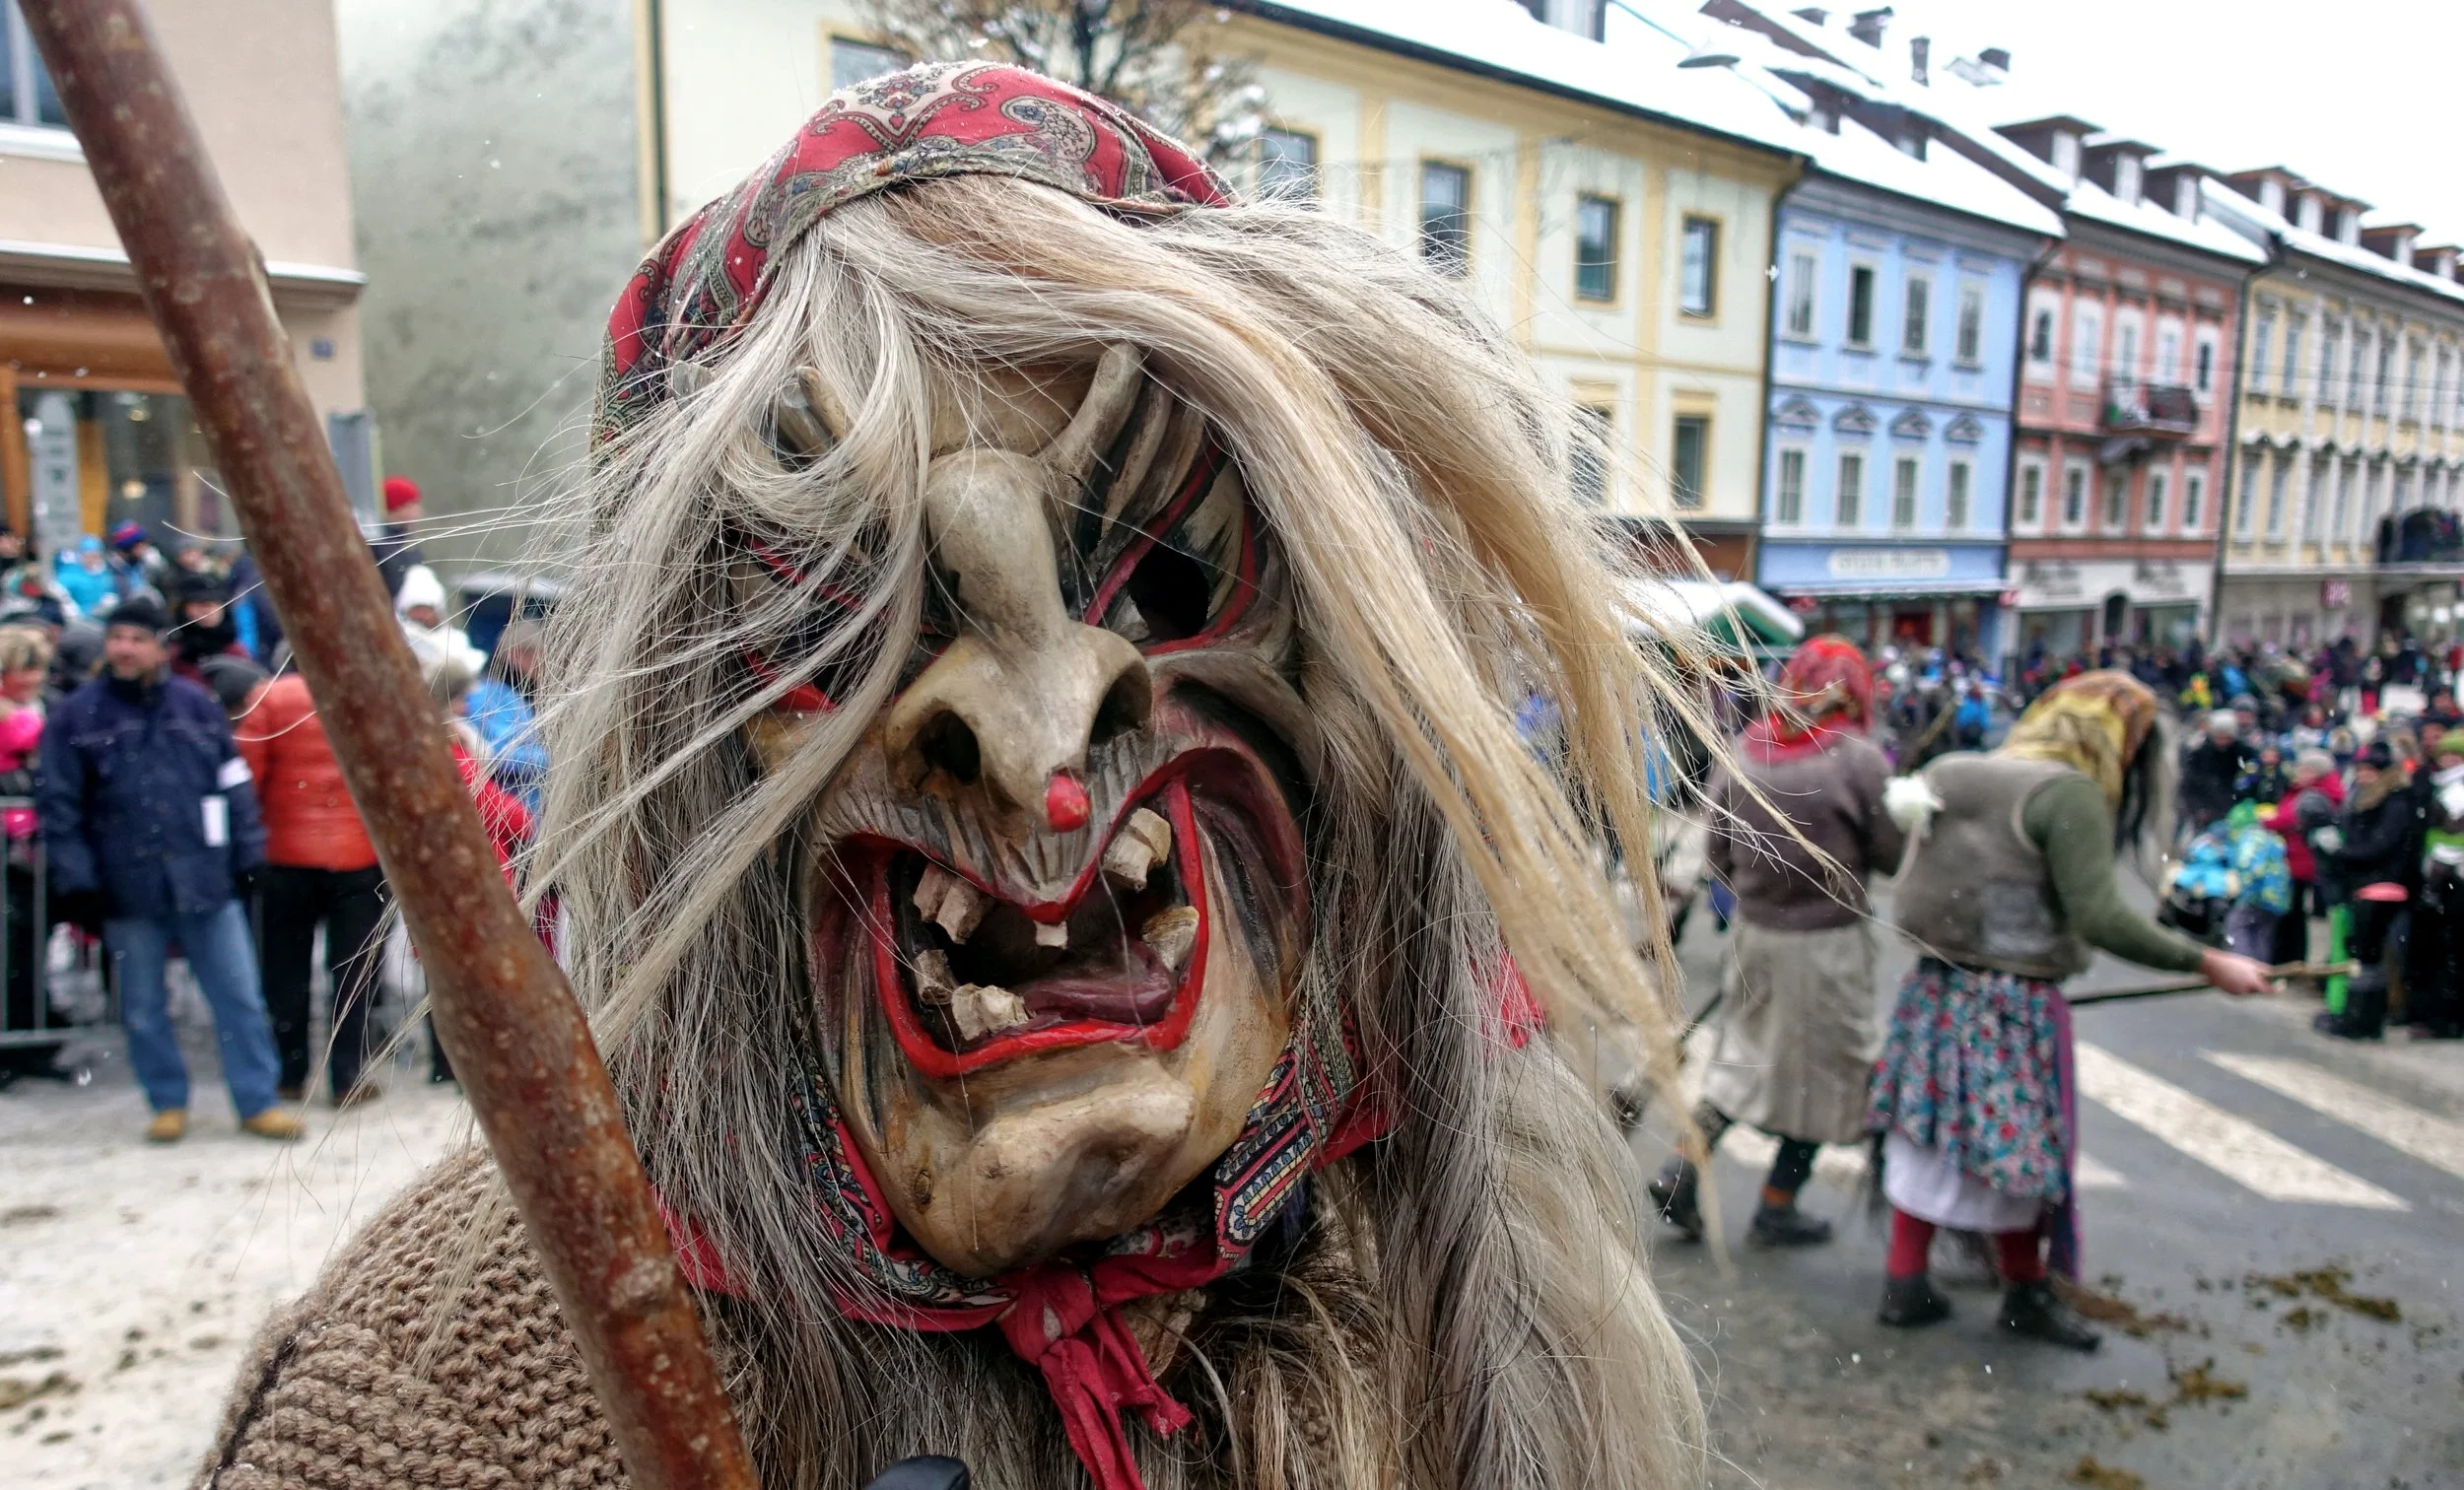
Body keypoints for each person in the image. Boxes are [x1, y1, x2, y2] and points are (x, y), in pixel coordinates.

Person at [206, 63, 1710, 1490]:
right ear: (681, 773)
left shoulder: (1471, 1252)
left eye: (1166, 569)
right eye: (828, 616)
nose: (1041, 729)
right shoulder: (446, 1403)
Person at [1872, 672, 2271, 1351]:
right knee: (2024, 1155)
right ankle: (2026, 1292)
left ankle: (1905, 1282)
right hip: (2012, 1002)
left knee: (1927, 1138)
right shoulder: (2067, 795)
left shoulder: (1958, 769)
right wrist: (2206, 962)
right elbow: (2101, 915)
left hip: (1935, 988)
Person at [1649, 636, 1903, 1248]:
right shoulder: (1859, 760)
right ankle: (1777, 1203)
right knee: (1826, 1076)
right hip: (1828, 947)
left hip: (1755, 937)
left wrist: (1760, 891)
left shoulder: (1745, 751)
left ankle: (1681, 1169)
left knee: (1746, 1059)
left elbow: (1716, 853)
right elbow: (1891, 854)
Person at [34, 598, 299, 1143]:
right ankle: (166, 1100)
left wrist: (249, 853)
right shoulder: (76, 716)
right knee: (143, 1006)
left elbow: (233, 783)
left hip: (205, 878)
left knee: (239, 997)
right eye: (117, 637)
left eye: (137, 637)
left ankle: (256, 1099)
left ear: (162, 646)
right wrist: (77, 878)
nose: (124, 647)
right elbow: (59, 806)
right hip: (127, 884)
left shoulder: (195, 706)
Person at [235, 670, 388, 1106]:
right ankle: (347, 1076)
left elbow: (249, 775)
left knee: (285, 972)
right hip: (357, 858)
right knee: (353, 974)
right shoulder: (367, 692)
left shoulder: (269, 697)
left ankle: (290, 1071)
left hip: (285, 856)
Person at [2312, 738, 2425, 1040]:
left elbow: (2380, 846)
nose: (2363, 776)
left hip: (2382, 885)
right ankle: (2357, 1015)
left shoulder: (2395, 801)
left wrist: (2341, 852)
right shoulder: (2367, 798)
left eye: (2370, 771)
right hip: (2366, 883)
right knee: (2362, 953)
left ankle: (2362, 1019)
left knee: (2366, 956)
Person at [0, 626, 57, 1083]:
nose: (33, 677)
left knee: (26, 948)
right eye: (24, 668)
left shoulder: (47, 708)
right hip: (10, 846)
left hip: (31, 851)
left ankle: (27, 1037)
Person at [463, 617, 549, 814]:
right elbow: (499, 755)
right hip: (510, 815)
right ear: (516, 654)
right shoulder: (486, 696)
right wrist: (559, 757)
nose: (543, 664)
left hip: (526, 813)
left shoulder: (513, 693)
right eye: (539, 655)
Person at [2272, 748, 2345, 967]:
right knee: (2294, 912)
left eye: (2307, 769)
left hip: (2305, 860)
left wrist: (2265, 822)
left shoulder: (2318, 794)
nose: (2301, 773)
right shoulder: (2301, 789)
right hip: (2296, 856)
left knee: (2296, 912)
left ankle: (2294, 960)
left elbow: (2288, 817)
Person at [393, 564, 484, 674]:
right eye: (417, 609)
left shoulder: (455, 641)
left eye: (426, 609)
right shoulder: (401, 637)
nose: (422, 615)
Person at [2179, 709, 2252, 833]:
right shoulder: (2199, 755)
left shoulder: (2244, 753)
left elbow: (2248, 782)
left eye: (2226, 738)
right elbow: (2189, 785)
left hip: (2235, 812)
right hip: (2205, 811)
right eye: (2219, 737)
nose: (2222, 742)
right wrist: (2198, 810)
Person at [371, 475, 425, 600]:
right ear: (397, 508)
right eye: (412, 505)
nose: (419, 512)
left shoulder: (406, 544)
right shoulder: (379, 547)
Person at [53, 536, 118, 619]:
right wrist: (67, 604)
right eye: (88, 555)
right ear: (80, 555)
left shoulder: (105, 574)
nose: (92, 559)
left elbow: (112, 591)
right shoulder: (70, 573)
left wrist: (109, 601)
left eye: (95, 556)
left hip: (100, 619)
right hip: (76, 620)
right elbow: (58, 590)